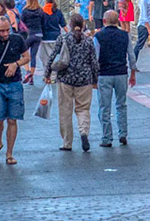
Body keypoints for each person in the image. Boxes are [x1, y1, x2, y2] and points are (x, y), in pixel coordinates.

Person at [0, 11, 32, 165]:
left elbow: (27, 57)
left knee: (13, 119)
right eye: (2, 31)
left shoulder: (17, 39)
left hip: (15, 83)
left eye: (7, 30)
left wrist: (16, 65)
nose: (5, 33)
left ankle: (9, 153)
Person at [44, 16, 98, 151]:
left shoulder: (63, 39)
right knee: (83, 109)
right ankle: (84, 132)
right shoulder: (88, 41)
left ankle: (67, 142)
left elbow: (53, 56)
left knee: (65, 110)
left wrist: (47, 73)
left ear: (70, 24)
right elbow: (94, 62)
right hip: (84, 79)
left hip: (65, 78)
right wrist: (95, 79)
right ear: (83, 25)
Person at [94, 8, 131, 148]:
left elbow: (95, 58)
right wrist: (132, 71)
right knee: (121, 104)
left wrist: (94, 75)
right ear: (118, 21)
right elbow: (131, 56)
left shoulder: (98, 37)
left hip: (104, 73)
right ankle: (123, 133)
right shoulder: (125, 35)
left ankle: (107, 137)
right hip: (121, 72)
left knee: (104, 107)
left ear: (104, 21)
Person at [21, 0, 49, 71]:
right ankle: (32, 75)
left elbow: (22, 23)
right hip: (38, 34)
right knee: (33, 55)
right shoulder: (40, 10)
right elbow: (44, 23)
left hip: (29, 34)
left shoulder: (25, 11)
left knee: (25, 54)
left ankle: (27, 72)